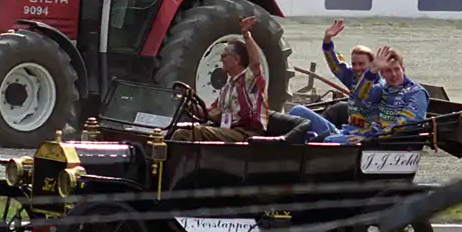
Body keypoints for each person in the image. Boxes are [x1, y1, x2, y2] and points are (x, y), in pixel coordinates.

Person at [290, 46, 428, 144]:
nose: (393, 75)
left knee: (328, 141)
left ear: (403, 69)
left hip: (380, 142)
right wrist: (373, 70)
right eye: (387, 71)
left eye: (396, 69)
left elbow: (405, 126)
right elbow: (360, 95)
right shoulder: (382, 87)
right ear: (382, 73)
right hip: (351, 133)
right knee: (296, 111)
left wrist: (370, 139)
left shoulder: (416, 93)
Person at [171, 16, 268, 142]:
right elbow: (210, 112)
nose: (221, 59)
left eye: (224, 56)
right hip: (227, 131)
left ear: (236, 59)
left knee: (192, 133)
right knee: (181, 130)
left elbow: (255, 63)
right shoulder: (227, 88)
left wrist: (246, 34)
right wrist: (187, 104)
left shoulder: (248, 80)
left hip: (246, 134)